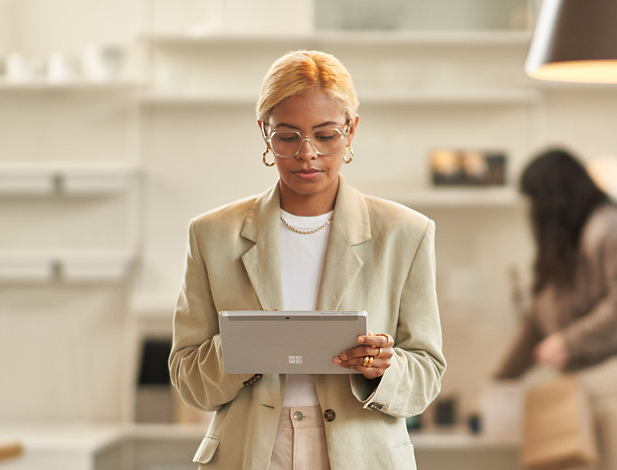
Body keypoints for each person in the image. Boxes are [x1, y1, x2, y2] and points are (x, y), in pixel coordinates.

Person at [168, 50, 446, 470]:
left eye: (326, 134)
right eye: (288, 135)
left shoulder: (406, 233)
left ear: (351, 131)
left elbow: (426, 375)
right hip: (250, 452)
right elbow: (188, 378)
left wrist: (384, 368)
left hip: (362, 453)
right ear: (264, 133)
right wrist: (242, 348)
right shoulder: (211, 235)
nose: (307, 153)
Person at [495, 148, 617, 470]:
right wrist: (501, 380)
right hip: (594, 384)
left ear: (551, 199)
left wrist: (569, 342)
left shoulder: (616, 228)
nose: (530, 213)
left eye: (533, 201)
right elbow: (538, 320)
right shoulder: (565, 246)